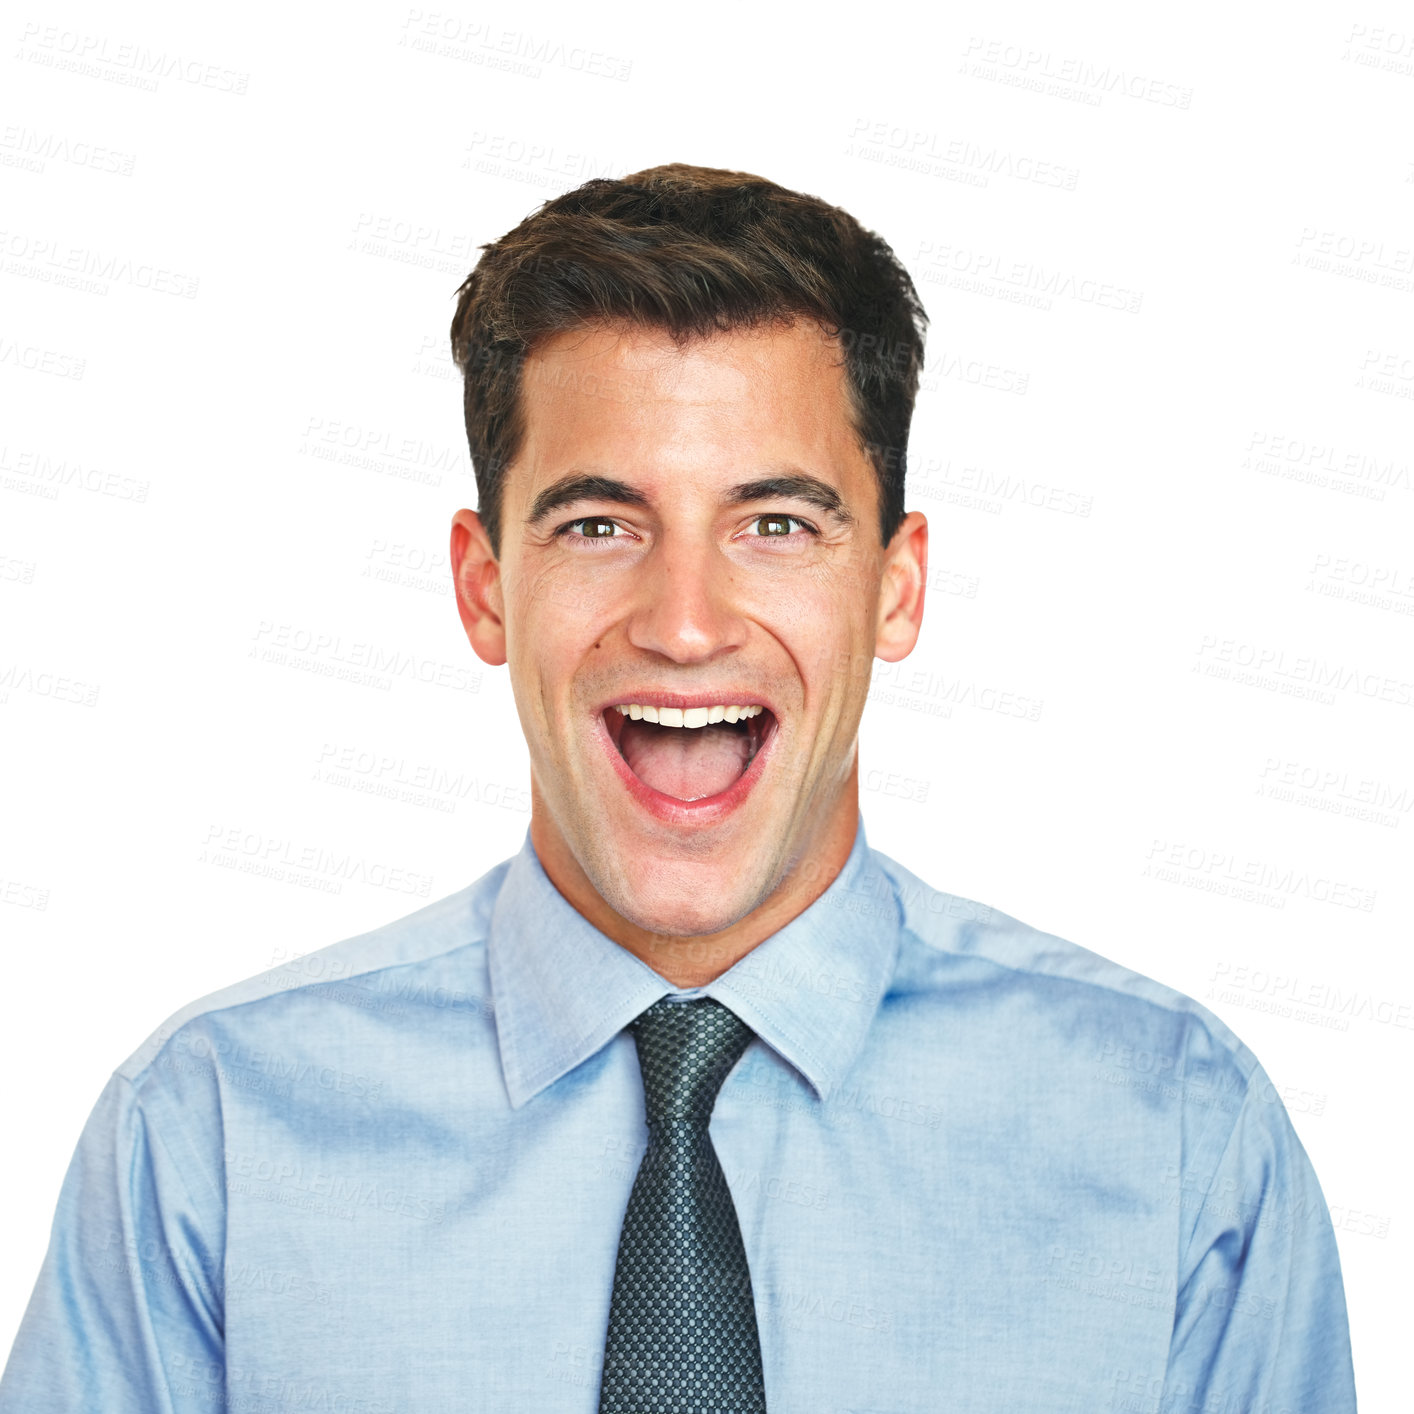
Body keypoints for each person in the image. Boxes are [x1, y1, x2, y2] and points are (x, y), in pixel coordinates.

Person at [0, 164, 1356, 1413]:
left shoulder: (1174, 1135)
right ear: (484, 587)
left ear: (895, 584)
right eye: (599, 523)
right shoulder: (209, 1138)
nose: (686, 621)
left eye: (776, 524)